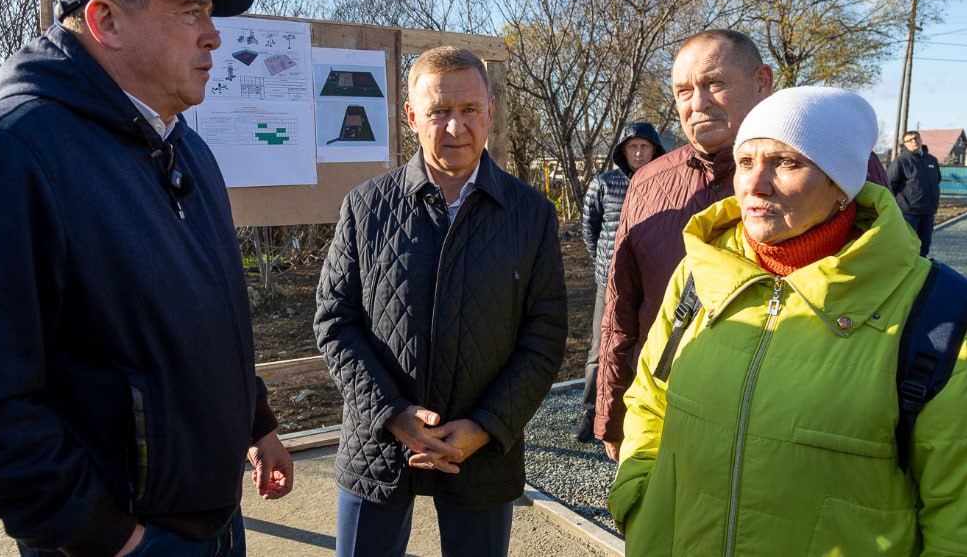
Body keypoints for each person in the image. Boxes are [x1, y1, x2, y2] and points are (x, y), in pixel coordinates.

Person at [0, 0, 293, 557]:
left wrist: (258, 421)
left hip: (215, 521)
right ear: (105, 20)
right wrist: (111, 538)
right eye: (190, 11)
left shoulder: (184, 146)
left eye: (210, 14)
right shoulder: (5, 154)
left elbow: (205, 317)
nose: (214, 34)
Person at [608, 86, 967, 555]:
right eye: (745, 162)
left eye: (787, 162)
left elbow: (963, 519)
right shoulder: (700, 273)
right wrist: (638, 497)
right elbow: (650, 398)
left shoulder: (939, 315)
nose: (755, 184)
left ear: (840, 184)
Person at [314, 46, 568, 557]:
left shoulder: (530, 213)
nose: (455, 128)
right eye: (438, 113)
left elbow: (544, 338)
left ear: (490, 112)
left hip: (482, 451)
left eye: (469, 110)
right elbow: (334, 321)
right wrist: (392, 414)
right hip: (379, 444)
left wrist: (485, 426)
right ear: (412, 117)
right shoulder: (367, 206)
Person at [594, 29, 889, 460]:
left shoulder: (835, 164)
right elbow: (622, 309)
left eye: (714, 84)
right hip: (670, 413)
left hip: (799, 425)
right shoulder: (647, 183)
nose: (697, 103)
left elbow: (887, 288)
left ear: (762, 82)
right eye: (683, 91)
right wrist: (613, 415)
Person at [572, 122, 666, 443]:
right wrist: (605, 265)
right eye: (632, 147)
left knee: (651, 346)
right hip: (609, 283)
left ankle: (640, 413)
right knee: (601, 349)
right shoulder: (604, 184)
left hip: (651, 281)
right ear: (623, 151)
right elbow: (590, 230)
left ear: (654, 149)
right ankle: (590, 411)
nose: (639, 153)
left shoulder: (662, 184)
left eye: (644, 147)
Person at [888, 130, 942, 256]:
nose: (914, 141)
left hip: (928, 211)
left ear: (921, 139)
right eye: (909, 140)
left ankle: (921, 271)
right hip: (909, 212)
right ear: (905, 144)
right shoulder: (901, 161)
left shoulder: (931, 160)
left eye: (916, 138)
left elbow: (937, 179)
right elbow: (890, 185)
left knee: (924, 246)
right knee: (907, 245)